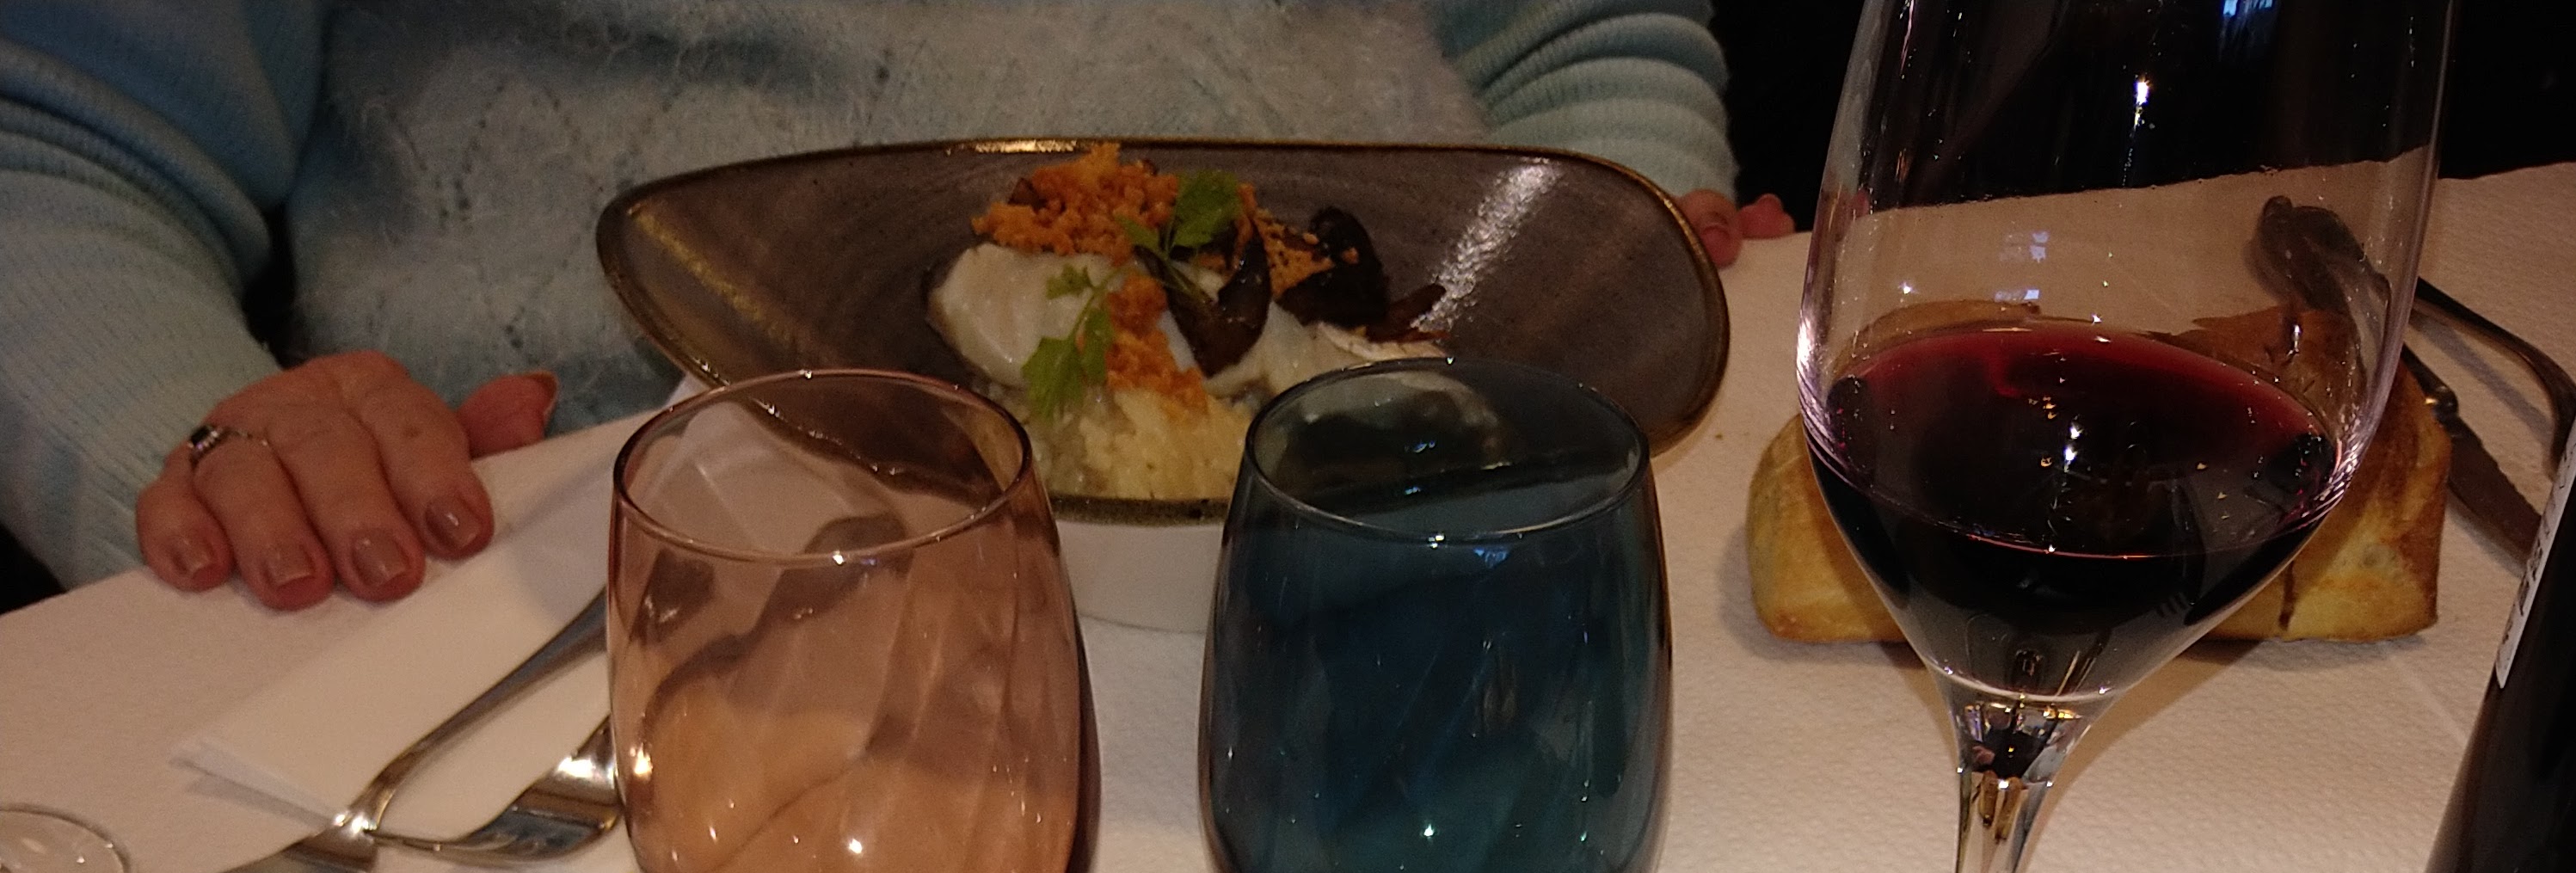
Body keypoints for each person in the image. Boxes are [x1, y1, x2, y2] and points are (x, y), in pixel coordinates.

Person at [0, 0, 1791, 606]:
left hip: (1440, 500)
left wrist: (1604, 249)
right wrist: (212, 442)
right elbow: (52, 139)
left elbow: (1573, 33)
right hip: (634, 579)